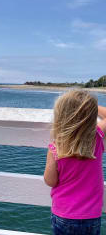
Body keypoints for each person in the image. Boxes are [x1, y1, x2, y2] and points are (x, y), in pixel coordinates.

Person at [44, 90, 106, 235]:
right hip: (91, 215)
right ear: (90, 117)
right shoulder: (96, 138)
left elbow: (50, 181)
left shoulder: (56, 148)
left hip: (64, 214)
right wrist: (91, 108)